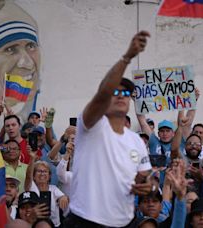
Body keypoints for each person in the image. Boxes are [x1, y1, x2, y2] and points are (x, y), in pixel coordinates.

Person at [65, 31, 152, 227]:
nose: (121, 95)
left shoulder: (136, 140)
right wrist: (127, 57)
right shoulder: (91, 124)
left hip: (125, 222)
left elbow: (145, 177)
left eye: (126, 93)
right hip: (86, 221)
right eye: (116, 91)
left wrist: (146, 186)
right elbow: (103, 93)